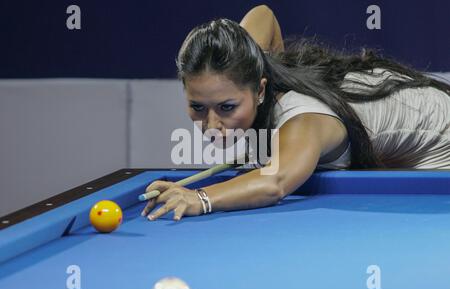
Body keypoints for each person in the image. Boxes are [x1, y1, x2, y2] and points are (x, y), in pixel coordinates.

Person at [141, 5, 450, 221]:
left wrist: (199, 198)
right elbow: (263, 13)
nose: (210, 124)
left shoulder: (301, 119)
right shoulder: (246, 61)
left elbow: (274, 183)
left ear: (261, 90)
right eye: (197, 107)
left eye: (227, 107)